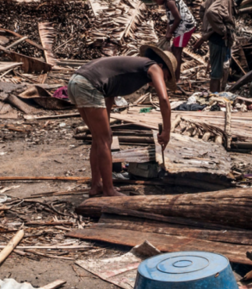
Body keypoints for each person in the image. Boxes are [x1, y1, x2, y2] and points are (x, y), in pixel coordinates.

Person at [68, 46, 177, 197]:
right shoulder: (154, 67)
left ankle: (96, 186)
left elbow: (109, 96)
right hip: (88, 85)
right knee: (104, 139)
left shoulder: (133, 70)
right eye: (166, 77)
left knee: (99, 138)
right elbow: (164, 99)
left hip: (76, 82)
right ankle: (108, 190)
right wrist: (167, 131)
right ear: (162, 66)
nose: (164, 80)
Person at [193, 0, 238, 93]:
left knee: (217, 70)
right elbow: (211, 12)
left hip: (214, 37)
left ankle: (216, 96)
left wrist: (208, 26)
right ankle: (214, 98)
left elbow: (203, 8)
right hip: (219, 39)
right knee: (217, 73)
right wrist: (222, 30)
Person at [150, 0, 196, 82]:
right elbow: (170, 20)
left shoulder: (170, 2)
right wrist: (168, 33)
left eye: (155, 0)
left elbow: (178, 18)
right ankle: (174, 75)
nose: (156, 2)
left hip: (185, 26)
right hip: (181, 26)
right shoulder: (167, 1)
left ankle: (176, 78)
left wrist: (170, 33)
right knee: (174, 49)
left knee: (177, 51)